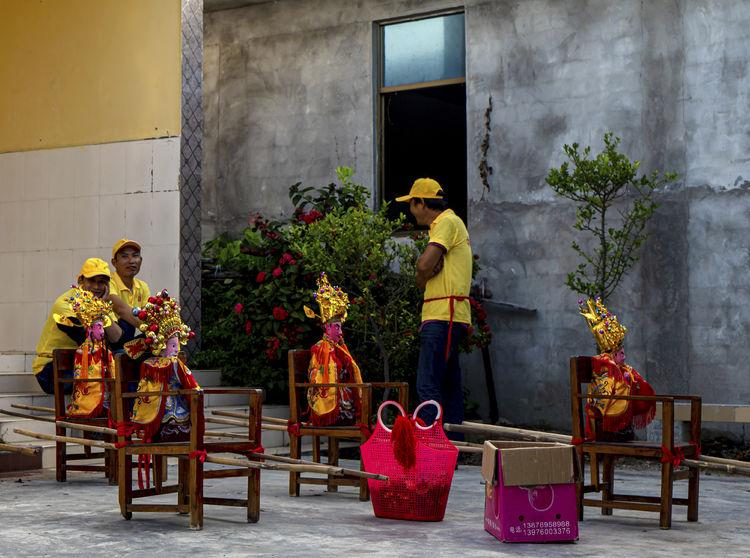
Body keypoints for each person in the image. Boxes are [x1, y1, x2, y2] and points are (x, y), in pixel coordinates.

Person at [395, 178, 473, 436]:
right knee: (449, 383)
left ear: (421, 203)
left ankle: (428, 442)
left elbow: (423, 267)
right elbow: (426, 270)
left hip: (442, 316)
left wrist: (422, 275)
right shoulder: (448, 224)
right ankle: (452, 447)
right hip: (447, 315)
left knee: (427, 383)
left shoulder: (446, 222)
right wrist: (424, 274)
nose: (410, 210)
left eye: (412, 204)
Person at [32, 258, 123, 395]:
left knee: (124, 357)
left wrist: (101, 309)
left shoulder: (101, 303)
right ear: (81, 280)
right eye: (92, 281)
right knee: (107, 375)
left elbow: (117, 339)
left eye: (101, 282)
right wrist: (99, 312)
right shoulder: (66, 303)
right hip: (51, 371)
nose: (97, 287)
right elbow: (87, 339)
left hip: (85, 364)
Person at [579, 298, 656, 441]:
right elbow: (605, 393)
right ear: (614, 354)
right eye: (621, 354)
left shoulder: (620, 367)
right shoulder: (605, 365)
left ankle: (623, 428)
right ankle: (614, 429)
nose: (624, 357)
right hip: (604, 421)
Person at [126, 289, 198, 442]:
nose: (176, 350)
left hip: (176, 403)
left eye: (177, 346)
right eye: (172, 346)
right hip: (160, 406)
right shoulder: (153, 364)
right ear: (160, 345)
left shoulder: (171, 363)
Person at [303, 272, 363, 426]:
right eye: (337, 327)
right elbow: (315, 373)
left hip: (341, 392)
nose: (340, 331)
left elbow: (349, 369)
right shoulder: (318, 348)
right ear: (327, 328)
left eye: (340, 327)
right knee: (341, 392)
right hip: (330, 393)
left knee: (348, 390)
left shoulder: (339, 346)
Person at [53, 287, 116, 418]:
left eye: (102, 327)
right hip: (89, 394)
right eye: (99, 327)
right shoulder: (83, 351)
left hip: (106, 394)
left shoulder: (105, 350)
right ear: (90, 330)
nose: (103, 331)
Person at [108, 238, 151, 345]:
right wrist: (154, 330)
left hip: (127, 339)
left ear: (140, 260)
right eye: (124, 256)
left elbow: (149, 317)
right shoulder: (107, 282)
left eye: (135, 256)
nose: (131, 261)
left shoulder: (142, 286)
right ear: (114, 262)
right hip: (110, 339)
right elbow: (120, 309)